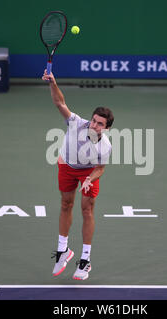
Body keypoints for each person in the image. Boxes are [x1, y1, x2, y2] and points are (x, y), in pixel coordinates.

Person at [42, 70, 114, 280]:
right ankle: (63, 250)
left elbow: (101, 168)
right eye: (94, 120)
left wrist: (89, 179)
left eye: (100, 123)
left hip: (88, 173)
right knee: (66, 204)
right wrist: (53, 82)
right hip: (66, 166)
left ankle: (85, 260)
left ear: (107, 128)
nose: (94, 125)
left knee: (87, 209)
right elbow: (60, 103)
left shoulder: (105, 146)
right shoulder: (76, 123)